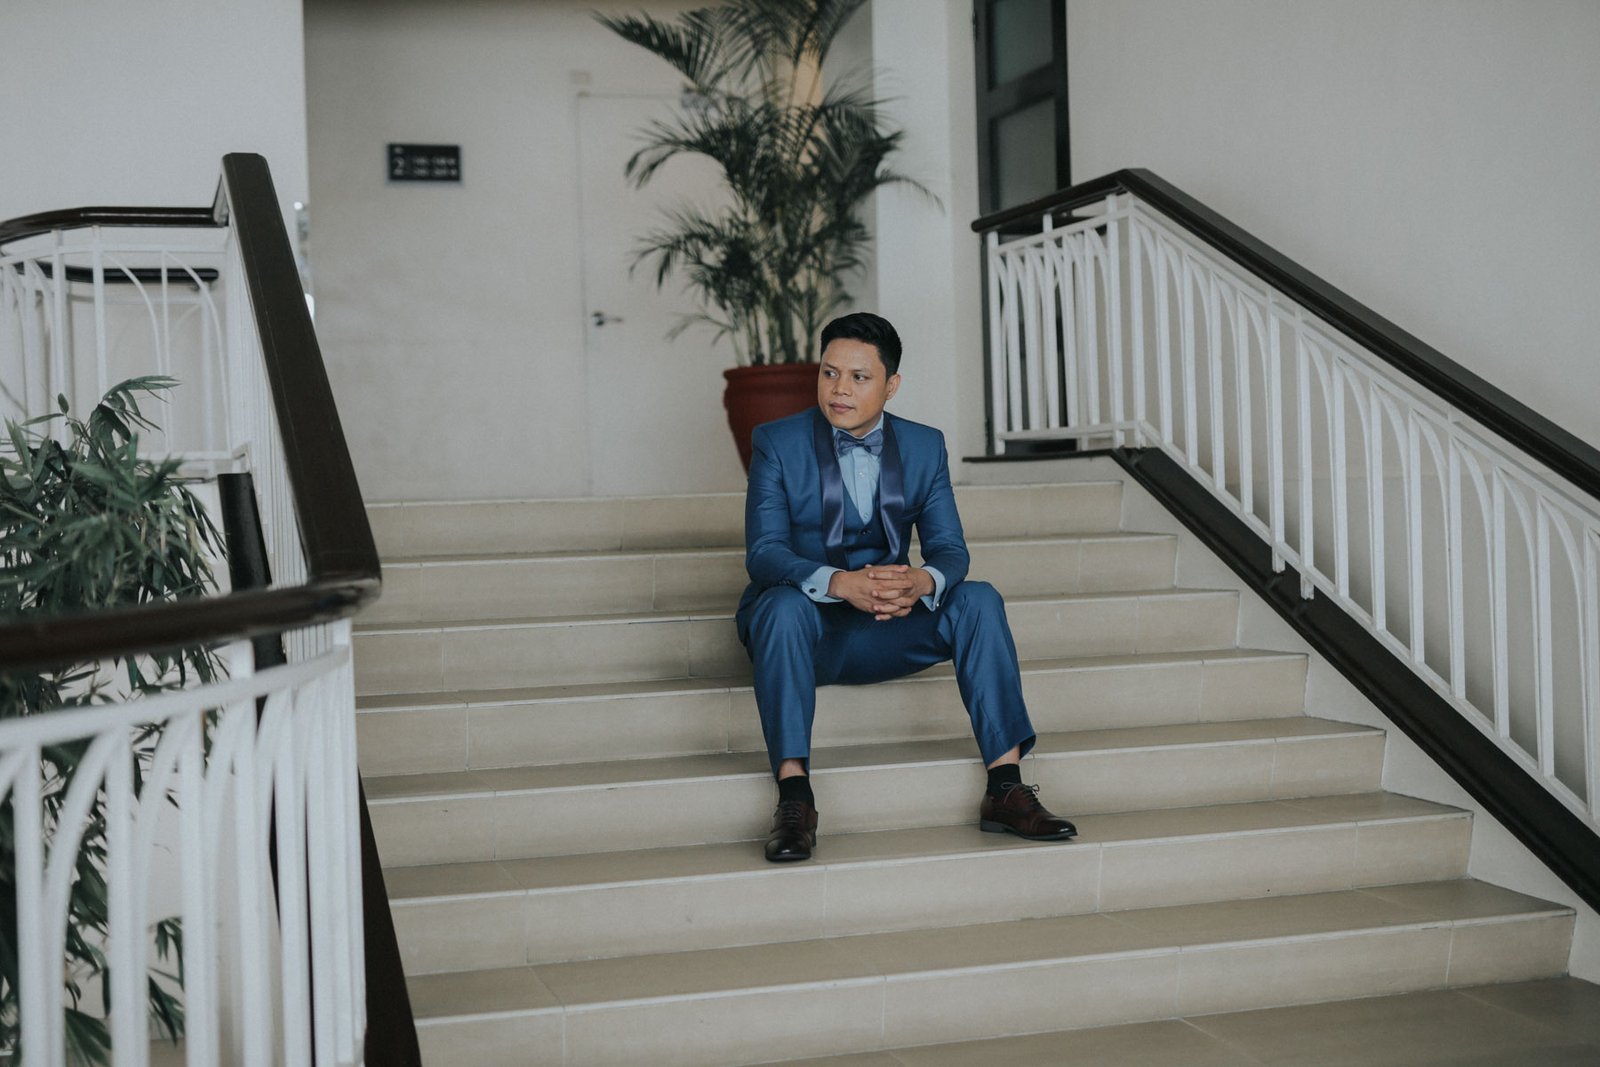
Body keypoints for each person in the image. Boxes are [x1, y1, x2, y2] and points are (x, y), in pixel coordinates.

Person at [736, 312, 1077, 862]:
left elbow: (951, 551)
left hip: (887, 625)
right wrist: (837, 583)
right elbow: (765, 552)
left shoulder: (924, 446)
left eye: (859, 377)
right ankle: (795, 798)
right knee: (779, 606)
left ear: (891, 385)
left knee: (978, 599)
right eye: (829, 373)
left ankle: (1005, 788)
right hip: (804, 633)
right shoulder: (777, 441)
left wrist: (921, 580)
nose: (839, 389)